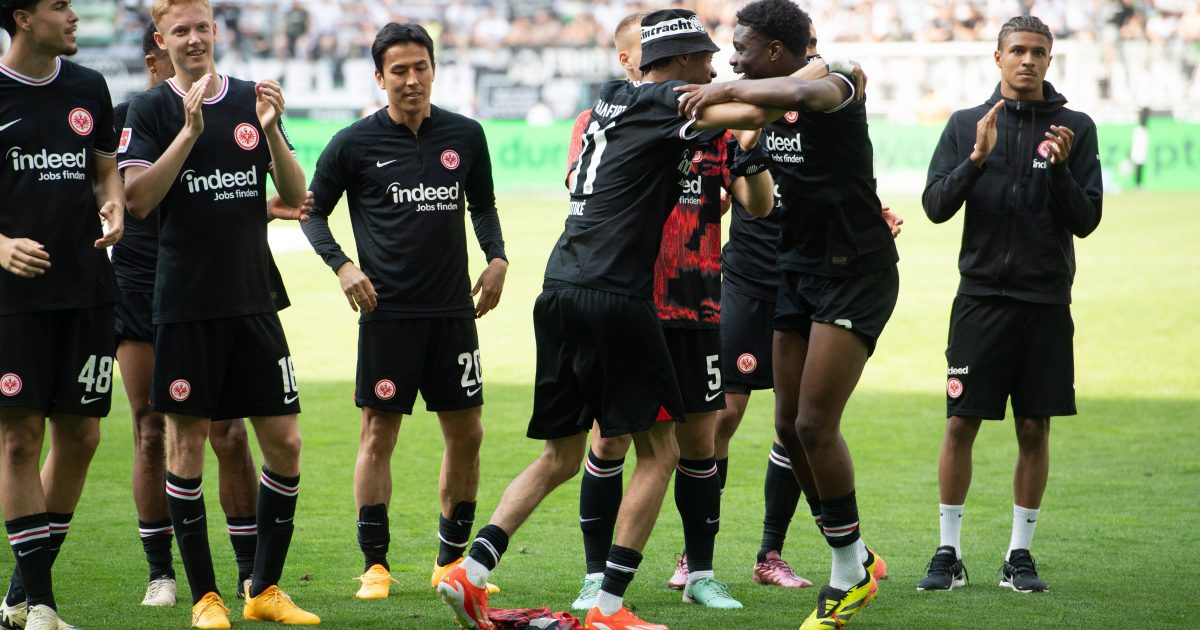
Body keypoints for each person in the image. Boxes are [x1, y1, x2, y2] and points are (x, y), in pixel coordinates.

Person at [437, 9, 779, 630]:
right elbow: (755, 110)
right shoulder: (665, 101)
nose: (715, 67)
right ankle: (609, 607)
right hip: (621, 295)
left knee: (559, 456)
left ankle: (470, 569)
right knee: (661, 452)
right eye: (705, 58)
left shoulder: (607, 104)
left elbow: (753, 180)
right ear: (678, 63)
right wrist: (823, 75)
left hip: (561, 284)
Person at [678, 1, 901, 627]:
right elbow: (728, 114)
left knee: (814, 422)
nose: (731, 57)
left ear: (775, 49)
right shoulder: (765, 100)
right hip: (797, 272)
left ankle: (844, 578)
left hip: (856, 273)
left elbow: (810, 92)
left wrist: (722, 88)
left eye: (741, 47)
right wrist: (686, 103)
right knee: (787, 424)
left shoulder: (841, 78)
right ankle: (854, 555)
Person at [563, 11, 774, 612]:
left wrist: (746, 153)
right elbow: (585, 189)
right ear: (630, 62)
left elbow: (758, 206)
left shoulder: (717, 128)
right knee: (611, 440)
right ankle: (594, 576)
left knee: (699, 442)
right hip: (634, 303)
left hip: (701, 302)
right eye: (629, 54)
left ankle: (699, 573)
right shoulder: (603, 119)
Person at [119, 0, 318, 626]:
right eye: (181, 31)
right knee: (185, 445)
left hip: (254, 299)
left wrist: (273, 128)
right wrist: (188, 132)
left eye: (203, 27)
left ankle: (262, 588)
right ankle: (205, 596)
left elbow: (292, 194)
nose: (195, 38)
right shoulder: (149, 109)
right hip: (185, 306)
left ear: (215, 31)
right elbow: (138, 200)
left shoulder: (249, 98)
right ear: (162, 40)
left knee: (284, 441)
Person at [301, 22, 508, 602]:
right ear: (379, 77)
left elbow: (484, 205)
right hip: (387, 315)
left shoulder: (465, 135)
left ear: (434, 69)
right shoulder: (352, 143)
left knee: (468, 433)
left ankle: (450, 561)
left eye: (420, 67)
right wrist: (344, 266)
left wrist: (497, 258)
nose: (411, 79)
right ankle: (375, 564)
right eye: (399, 70)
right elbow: (311, 214)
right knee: (377, 436)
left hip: (453, 314)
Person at [917, 15, 1102, 594]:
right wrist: (975, 160)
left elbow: (1087, 220)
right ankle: (948, 552)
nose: (1028, 60)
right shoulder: (967, 123)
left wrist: (1062, 171)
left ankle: (1019, 556)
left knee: (1033, 427)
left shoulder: (1076, 126)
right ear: (996, 58)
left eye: (1038, 52)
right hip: (979, 299)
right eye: (1017, 50)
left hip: (1045, 299)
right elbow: (934, 207)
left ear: (1051, 60)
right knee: (960, 424)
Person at [0, 0, 124, 627]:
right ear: (23, 18)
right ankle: (44, 607)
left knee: (81, 436)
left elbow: (104, 171)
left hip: (87, 289)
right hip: (12, 304)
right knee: (20, 439)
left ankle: (20, 597)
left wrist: (114, 205)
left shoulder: (89, 87)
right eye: (59, 5)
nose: (73, 15)